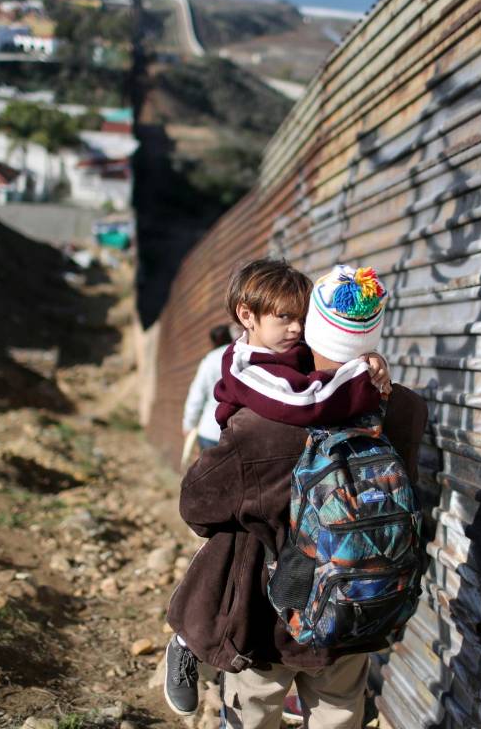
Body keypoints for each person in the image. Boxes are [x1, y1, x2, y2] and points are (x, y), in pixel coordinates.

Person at [163, 259, 427, 728]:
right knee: (340, 711)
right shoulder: (403, 407)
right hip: (357, 599)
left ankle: (188, 638)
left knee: (255, 708)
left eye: (301, 316)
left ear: (318, 326)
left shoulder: (260, 425)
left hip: (270, 608)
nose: (294, 326)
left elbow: (198, 505)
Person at [182, 324, 232, 451]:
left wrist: (189, 424)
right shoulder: (241, 355)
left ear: (212, 341)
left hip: (210, 431)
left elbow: (196, 396)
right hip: (236, 431)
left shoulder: (208, 361)